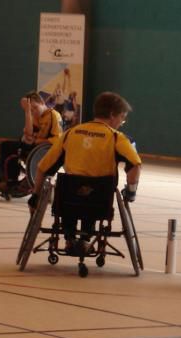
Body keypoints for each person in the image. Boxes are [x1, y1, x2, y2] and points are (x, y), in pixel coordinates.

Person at [28, 91, 141, 252]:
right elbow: (135, 165)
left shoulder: (70, 134)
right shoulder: (117, 138)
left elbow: (42, 167)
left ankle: (69, 236)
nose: (122, 122)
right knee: (94, 193)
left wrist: (35, 195)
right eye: (122, 118)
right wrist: (131, 192)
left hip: (66, 199)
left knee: (70, 192)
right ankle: (85, 237)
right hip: (99, 201)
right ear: (112, 115)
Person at [0, 91, 63, 192]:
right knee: (5, 145)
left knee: (12, 149)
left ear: (42, 103)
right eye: (31, 109)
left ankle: (11, 181)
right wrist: (28, 112)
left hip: (43, 148)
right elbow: (28, 133)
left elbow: (58, 140)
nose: (34, 111)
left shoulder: (54, 115)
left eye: (35, 107)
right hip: (34, 145)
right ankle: (5, 179)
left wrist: (37, 140)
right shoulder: (37, 116)